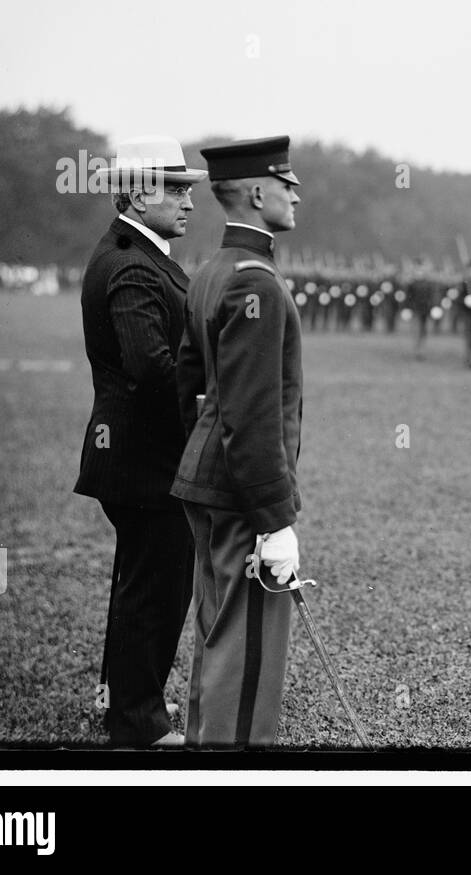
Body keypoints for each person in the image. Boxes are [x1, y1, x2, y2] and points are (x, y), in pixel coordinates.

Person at [171, 135, 305, 747]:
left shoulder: (212, 271)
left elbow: (188, 386)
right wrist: (274, 519)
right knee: (246, 656)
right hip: (239, 494)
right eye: (285, 183)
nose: (295, 193)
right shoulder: (258, 282)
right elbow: (252, 416)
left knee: (217, 633)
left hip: (207, 479)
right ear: (257, 193)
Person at [74, 135, 204, 747]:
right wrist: (207, 418)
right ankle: (137, 722)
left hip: (135, 455)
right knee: (155, 591)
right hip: (145, 460)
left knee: (141, 585)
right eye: (175, 189)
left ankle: (126, 702)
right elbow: (151, 367)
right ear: (135, 193)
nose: (188, 202)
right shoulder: (131, 261)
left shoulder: (136, 252)